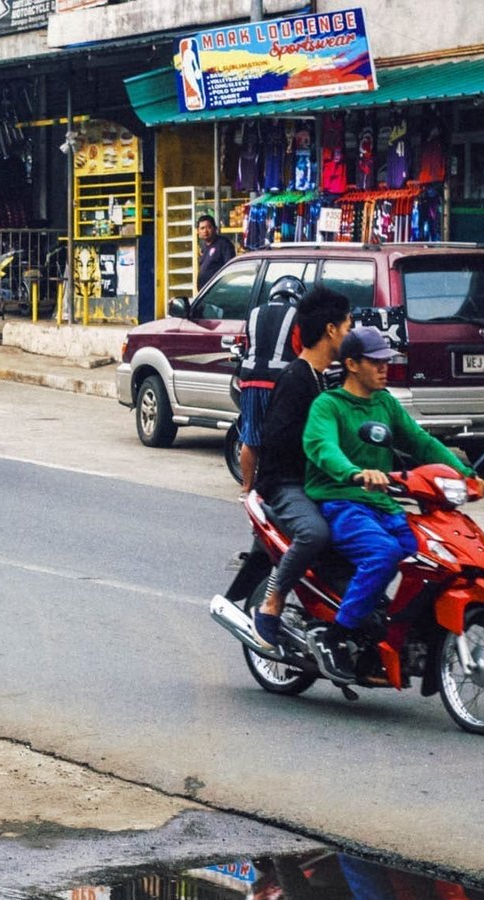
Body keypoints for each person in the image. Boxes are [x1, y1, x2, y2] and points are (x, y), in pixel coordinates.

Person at [300, 326, 484, 683]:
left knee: (432, 555)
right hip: (341, 502)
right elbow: (322, 447)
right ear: (352, 364)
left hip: (383, 505)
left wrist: (466, 473)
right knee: (383, 554)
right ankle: (336, 637)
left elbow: (421, 442)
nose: (385, 368)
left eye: (388, 361)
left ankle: (400, 631)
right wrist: (354, 473)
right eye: (376, 362)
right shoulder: (329, 405)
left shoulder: (385, 403)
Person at [250, 286, 352, 650]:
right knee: (314, 533)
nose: (350, 333)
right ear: (330, 331)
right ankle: (272, 604)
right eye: (347, 326)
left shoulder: (328, 377)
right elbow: (275, 443)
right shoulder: (296, 378)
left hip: (318, 483)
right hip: (285, 484)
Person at [233, 275, 307, 494]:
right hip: (279, 385)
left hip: (249, 380)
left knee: (250, 437)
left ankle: (247, 488)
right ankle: (275, 488)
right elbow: (300, 349)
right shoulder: (298, 316)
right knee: (277, 437)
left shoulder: (255, 312)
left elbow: (249, 344)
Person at [195, 214, 235, 292]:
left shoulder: (223, 244)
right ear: (198, 231)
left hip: (219, 292)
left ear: (215, 228)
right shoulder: (204, 247)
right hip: (204, 293)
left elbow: (230, 269)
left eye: (208, 227)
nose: (205, 231)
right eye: (202, 228)